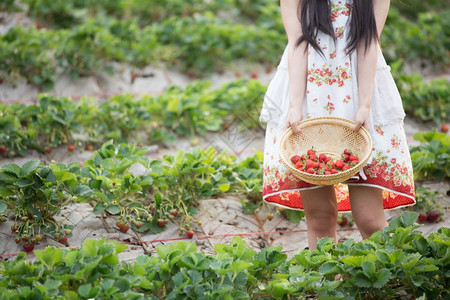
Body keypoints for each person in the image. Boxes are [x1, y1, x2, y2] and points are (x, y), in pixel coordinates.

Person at [259, 0, 416, 250]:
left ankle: (385, 282)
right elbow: (297, 42)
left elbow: (369, 41)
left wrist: (364, 105)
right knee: (321, 216)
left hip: (358, 90)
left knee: (369, 218)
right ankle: (326, 284)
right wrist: (295, 106)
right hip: (309, 93)